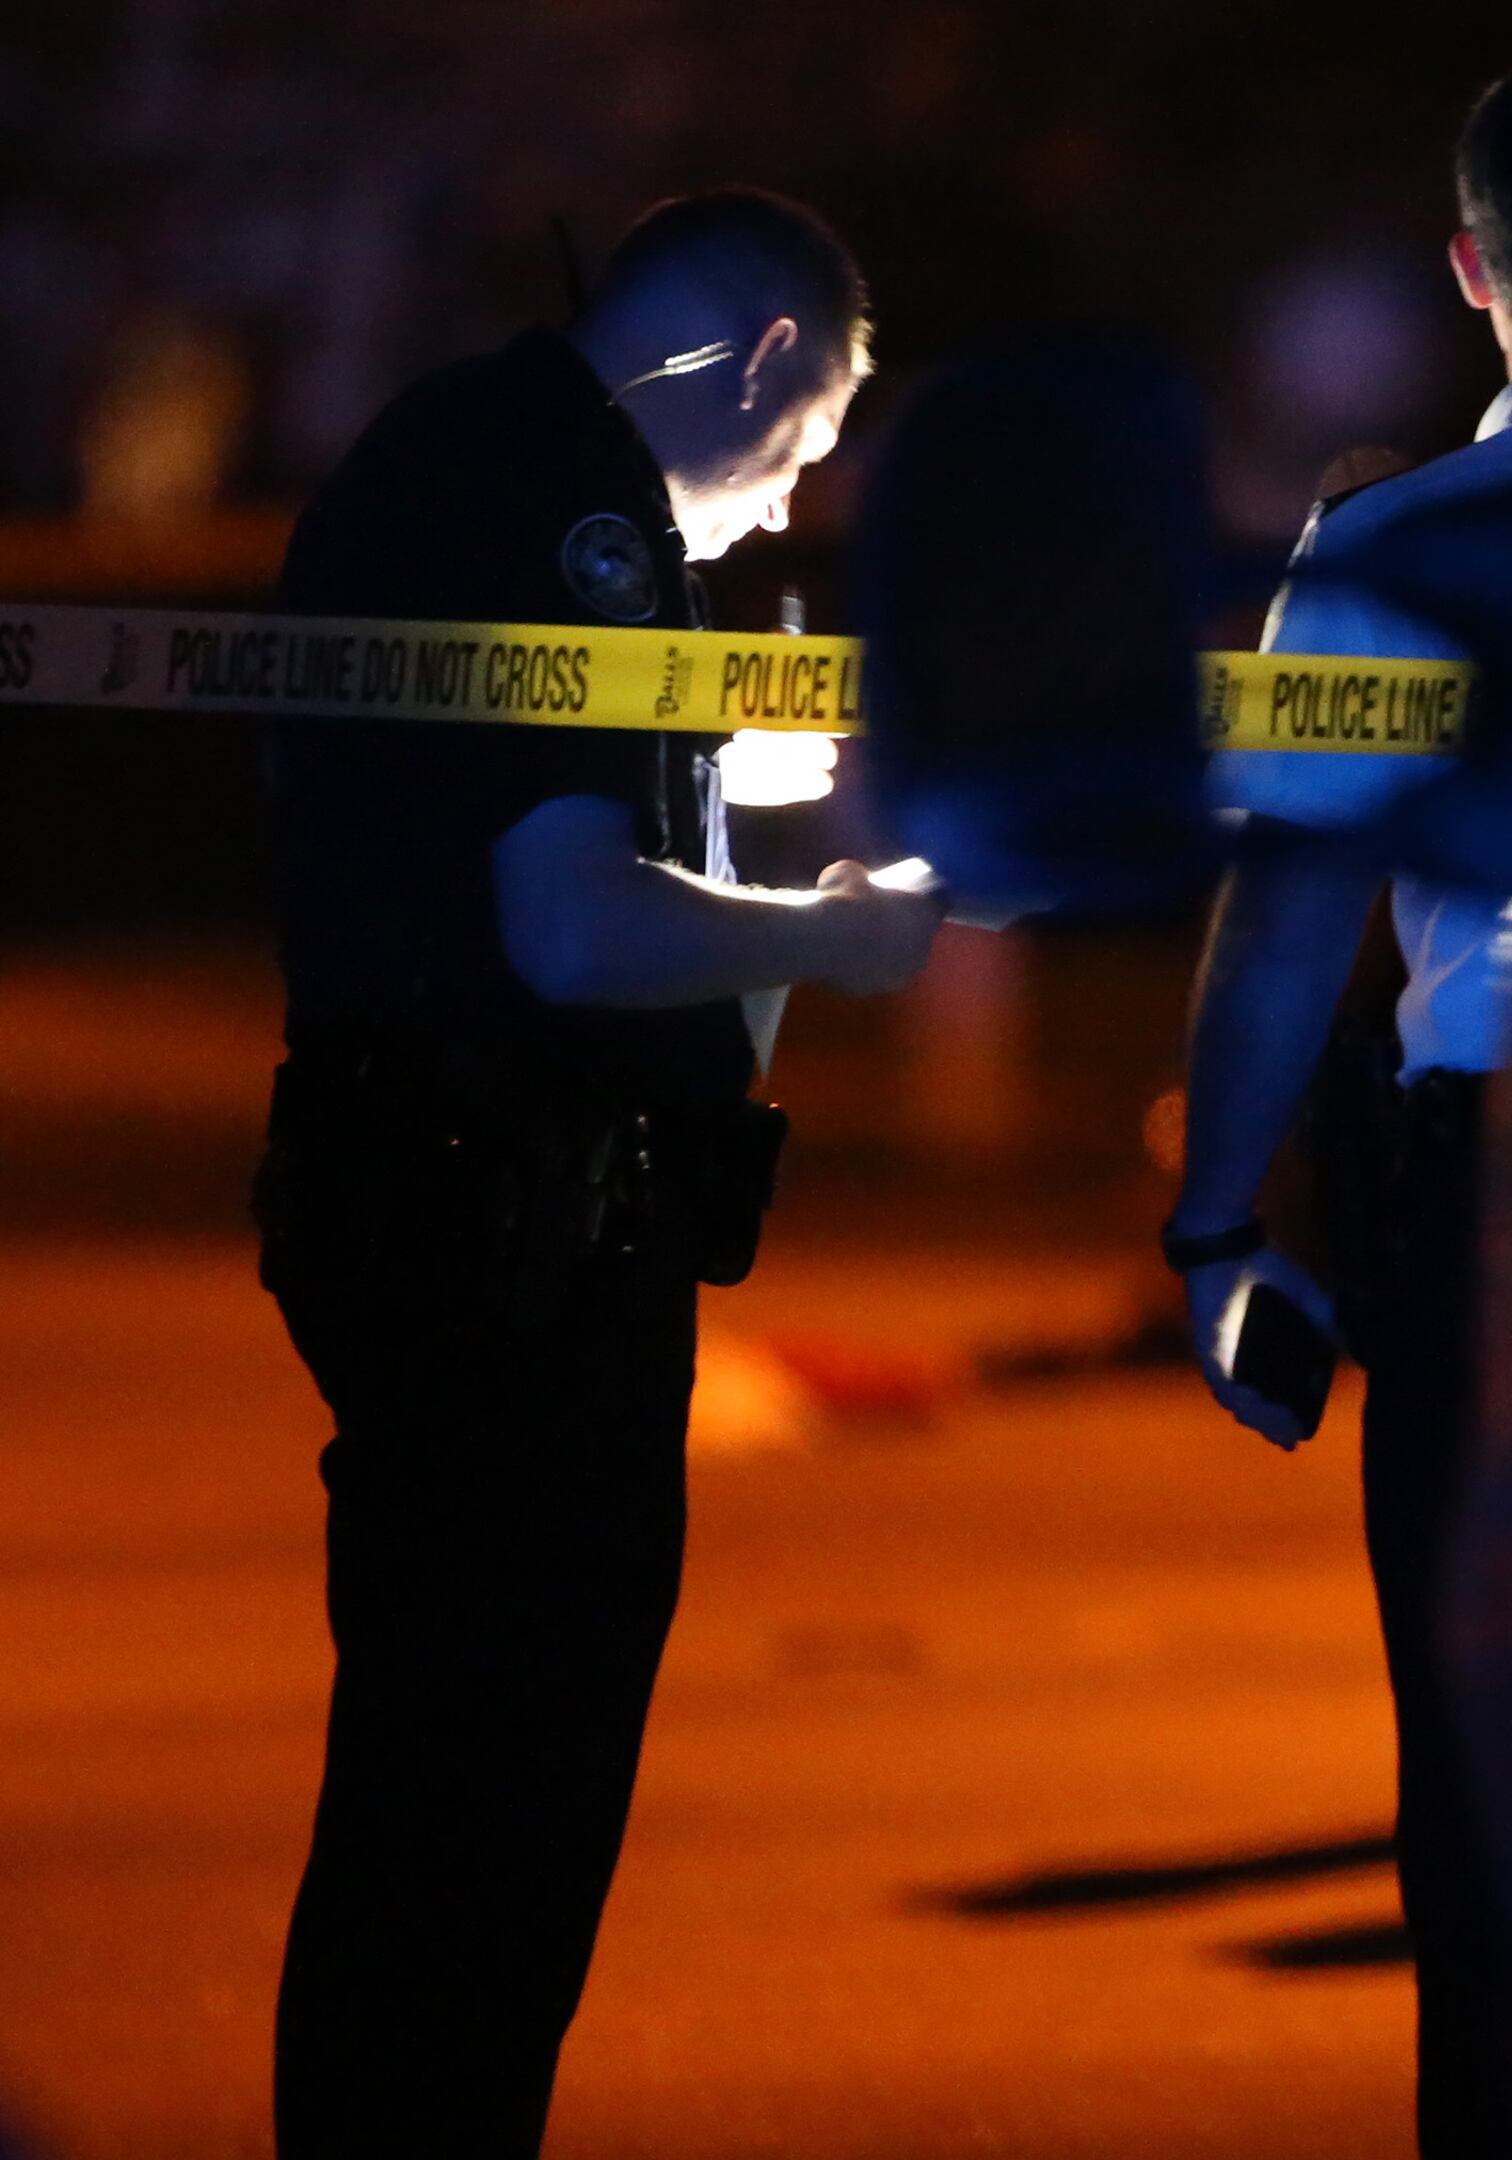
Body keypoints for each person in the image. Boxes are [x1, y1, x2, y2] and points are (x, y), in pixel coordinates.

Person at [255, 187, 943, 2156]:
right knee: (486, 1830)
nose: (790, 506)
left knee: (434, 1809)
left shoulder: (474, 449)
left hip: (443, 1199)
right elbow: (565, 931)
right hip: (510, 1241)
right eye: (802, 451)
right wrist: (833, 930)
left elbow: (520, 842)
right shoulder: (571, 502)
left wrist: (717, 774)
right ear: (774, 365)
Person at [1167, 57, 1512, 2158]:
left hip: (1494, 1204)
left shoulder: (1394, 548)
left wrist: (1217, 1225)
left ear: (1475, 274)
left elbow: (1289, 915)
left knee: (1486, 1794)